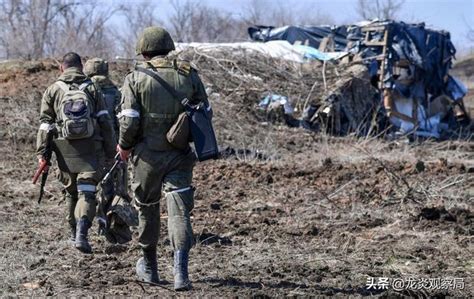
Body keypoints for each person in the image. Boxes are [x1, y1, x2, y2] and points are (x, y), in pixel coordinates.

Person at [117, 26, 210, 291]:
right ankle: (181, 273)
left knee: (146, 209)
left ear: (143, 51)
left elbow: (130, 120)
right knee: (180, 212)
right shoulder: (188, 74)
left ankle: (150, 268)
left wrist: (124, 146)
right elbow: (205, 113)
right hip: (180, 156)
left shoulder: (135, 78)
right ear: (169, 47)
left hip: (147, 158)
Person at [36, 52, 116, 253]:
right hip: (91, 149)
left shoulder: (53, 90)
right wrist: (110, 151)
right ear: (81, 67)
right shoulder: (93, 88)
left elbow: (45, 125)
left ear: (61, 68)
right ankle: (82, 234)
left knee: (71, 192)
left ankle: (73, 234)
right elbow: (106, 122)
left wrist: (42, 155)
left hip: (64, 150)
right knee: (87, 192)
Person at [83, 57, 130, 242]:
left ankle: (83, 226)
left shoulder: (83, 91)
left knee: (87, 187)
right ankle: (110, 226)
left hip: (88, 147)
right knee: (114, 188)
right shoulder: (116, 93)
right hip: (113, 147)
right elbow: (123, 121)